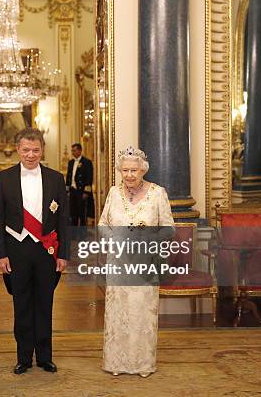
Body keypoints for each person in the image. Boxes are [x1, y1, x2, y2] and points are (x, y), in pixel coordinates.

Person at [0, 128, 68, 375]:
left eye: (36, 150)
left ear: (42, 150)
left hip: (47, 250)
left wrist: (64, 254)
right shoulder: (4, 178)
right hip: (17, 249)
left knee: (45, 304)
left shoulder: (56, 178)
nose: (31, 155)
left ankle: (45, 357)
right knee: (21, 303)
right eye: (26, 150)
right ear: (18, 150)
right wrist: (1, 254)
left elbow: (63, 220)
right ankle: (24, 357)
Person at [98, 146, 174, 377]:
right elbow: (103, 224)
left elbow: (169, 229)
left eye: (134, 170)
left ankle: (142, 364)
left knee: (141, 313)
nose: (129, 175)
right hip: (119, 263)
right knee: (118, 313)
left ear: (143, 170)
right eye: (125, 170)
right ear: (120, 171)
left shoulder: (158, 193)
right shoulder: (113, 193)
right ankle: (116, 363)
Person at [66, 143, 93, 226]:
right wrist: (67, 190)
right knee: (73, 213)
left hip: (81, 191)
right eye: (72, 151)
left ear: (80, 150)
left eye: (74, 150)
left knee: (82, 214)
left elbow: (89, 178)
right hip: (73, 190)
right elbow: (68, 177)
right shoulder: (71, 162)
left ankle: (82, 235)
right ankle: (74, 234)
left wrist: (86, 192)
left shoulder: (86, 162)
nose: (73, 152)